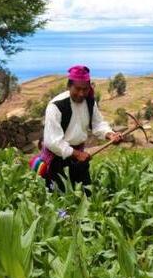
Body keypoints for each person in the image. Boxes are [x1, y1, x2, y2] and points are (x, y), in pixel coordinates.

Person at [38, 65, 122, 195]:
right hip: (57, 158)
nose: (81, 93)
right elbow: (52, 141)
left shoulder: (89, 102)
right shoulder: (55, 106)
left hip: (79, 158)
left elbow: (98, 124)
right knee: (60, 198)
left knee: (86, 194)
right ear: (69, 86)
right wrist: (77, 154)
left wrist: (109, 134)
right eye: (77, 89)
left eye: (85, 89)